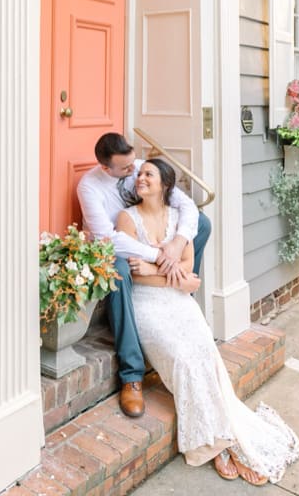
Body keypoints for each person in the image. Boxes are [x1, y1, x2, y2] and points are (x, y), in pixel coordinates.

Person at [116, 158, 299, 484]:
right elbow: (137, 275)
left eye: (149, 174)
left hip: (178, 303)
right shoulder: (127, 219)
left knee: (205, 354)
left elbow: (187, 272)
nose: (140, 178)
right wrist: (169, 275)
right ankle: (214, 446)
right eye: (139, 174)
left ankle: (226, 438)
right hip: (147, 306)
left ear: (165, 185)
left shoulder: (180, 220)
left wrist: (156, 271)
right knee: (182, 359)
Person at [77, 132, 212, 418]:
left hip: (156, 251)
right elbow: (108, 239)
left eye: (133, 164)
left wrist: (177, 244)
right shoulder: (90, 187)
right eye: (125, 169)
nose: (133, 172)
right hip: (118, 251)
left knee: (203, 223)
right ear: (105, 168)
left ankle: (181, 290)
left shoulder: (138, 167)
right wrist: (159, 257)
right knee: (118, 268)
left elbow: (186, 205)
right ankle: (131, 375)